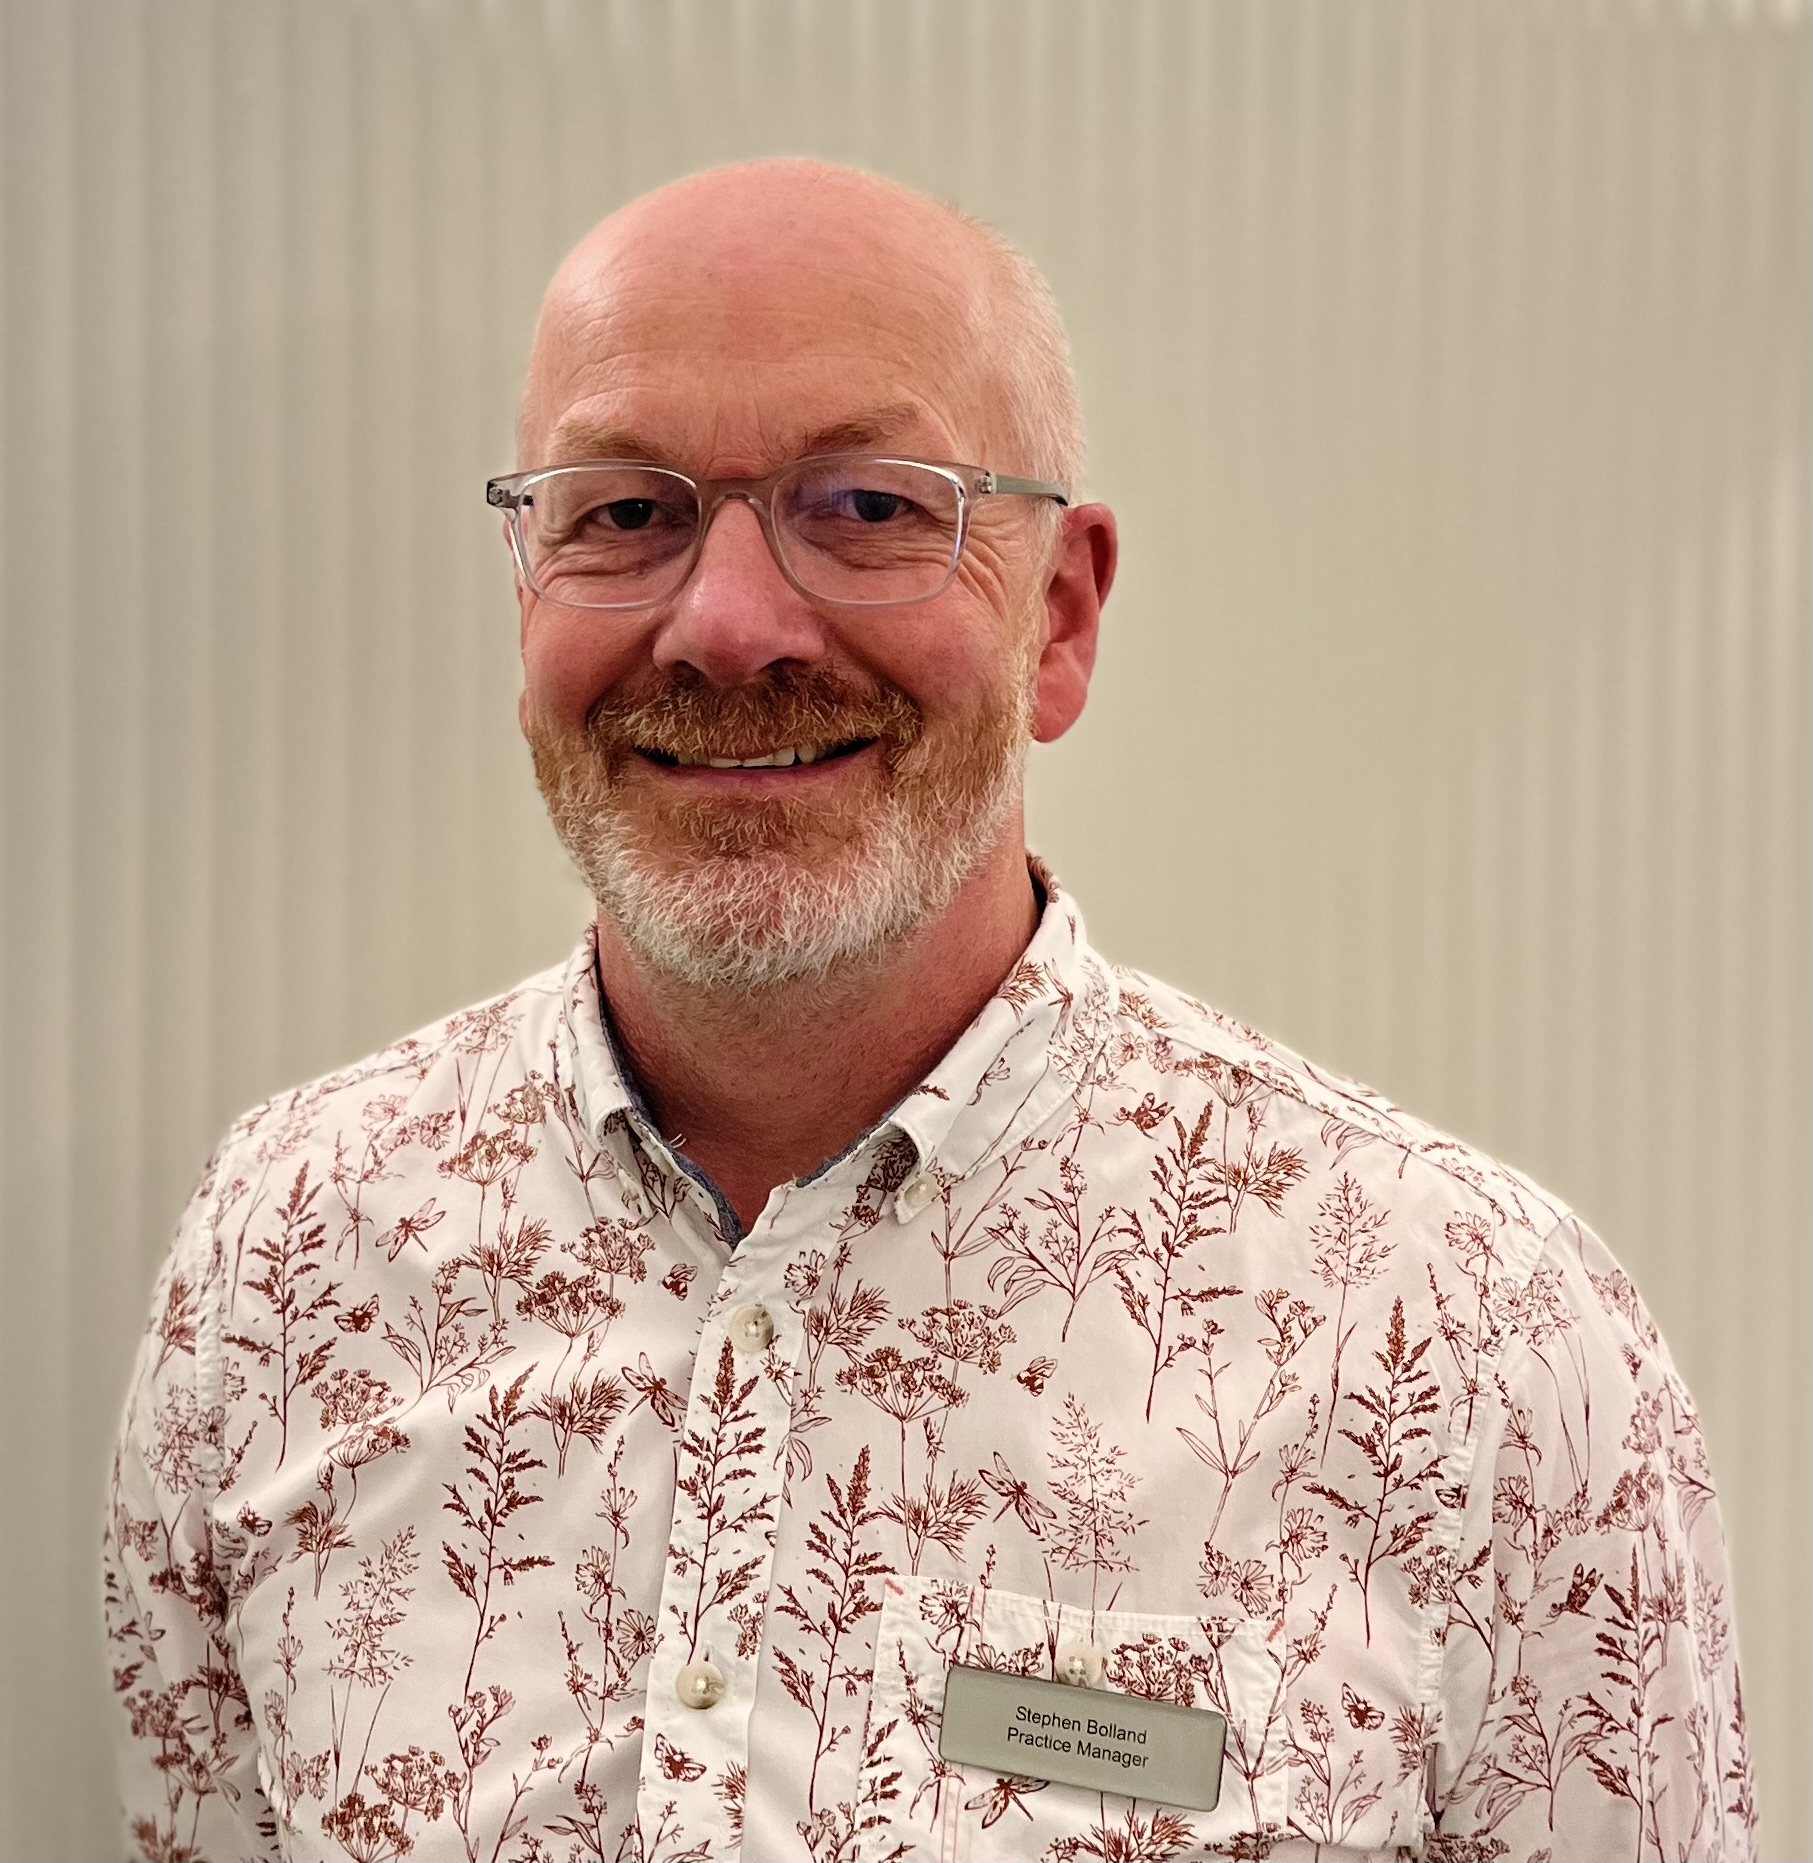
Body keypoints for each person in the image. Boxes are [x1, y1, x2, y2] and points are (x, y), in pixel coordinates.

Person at [105, 159, 1755, 1863]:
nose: (728, 625)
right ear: (525, 594)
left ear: (1059, 614)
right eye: (622, 514)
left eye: (869, 508)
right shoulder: (280, 1266)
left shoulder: (1470, 1340)